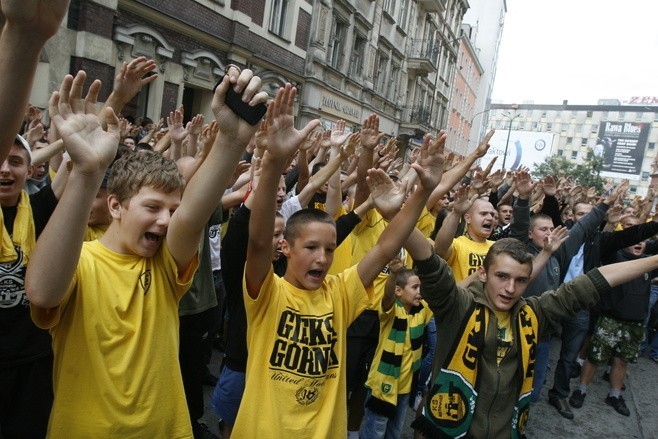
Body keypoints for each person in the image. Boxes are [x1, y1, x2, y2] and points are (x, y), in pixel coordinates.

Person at [25, 66, 267, 437]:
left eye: (171, 210)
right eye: (153, 208)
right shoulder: (79, 260)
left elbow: (192, 214)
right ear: (116, 206)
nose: (166, 220)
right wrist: (87, 172)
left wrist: (231, 141)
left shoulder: (164, 264)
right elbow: (41, 292)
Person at [234, 83, 446, 437]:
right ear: (285, 248)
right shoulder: (266, 292)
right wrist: (272, 162)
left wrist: (421, 192)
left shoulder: (339, 292)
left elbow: (383, 249)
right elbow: (257, 241)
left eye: (330, 249)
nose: (323, 258)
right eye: (311, 248)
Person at [404, 233, 658, 438]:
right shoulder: (459, 306)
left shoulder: (535, 313)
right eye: (502, 276)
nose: (510, 288)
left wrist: (655, 260)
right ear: (483, 273)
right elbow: (429, 261)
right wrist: (416, 197)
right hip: (446, 429)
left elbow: (592, 282)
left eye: (521, 280)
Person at [360, 262, 433, 439]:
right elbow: (387, 296)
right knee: (374, 432)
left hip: (404, 388)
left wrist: (476, 276)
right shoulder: (391, 312)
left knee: (395, 432)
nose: (419, 291)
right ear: (399, 291)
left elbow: (448, 295)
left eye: (420, 287)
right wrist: (393, 274)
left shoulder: (421, 311)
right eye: (415, 287)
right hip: (382, 387)